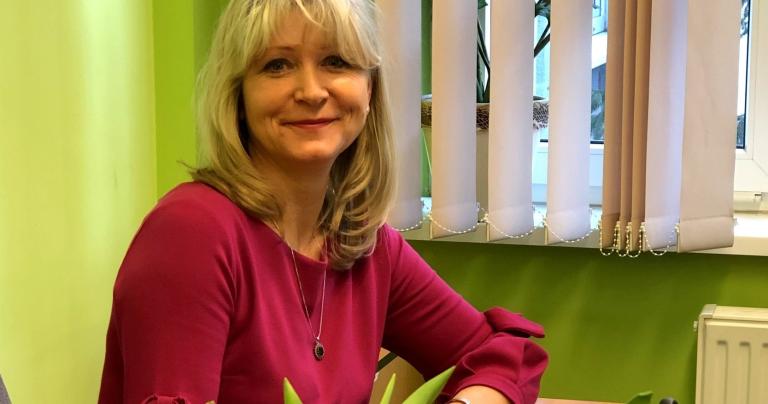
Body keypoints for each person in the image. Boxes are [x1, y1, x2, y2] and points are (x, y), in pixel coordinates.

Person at [97, 0, 548, 403]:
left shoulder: (363, 243)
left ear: (369, 89)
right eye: (277, 65)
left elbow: (501, 357)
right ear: (238, 94)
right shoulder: (191, 234)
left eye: (336, 61)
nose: (311, 92)